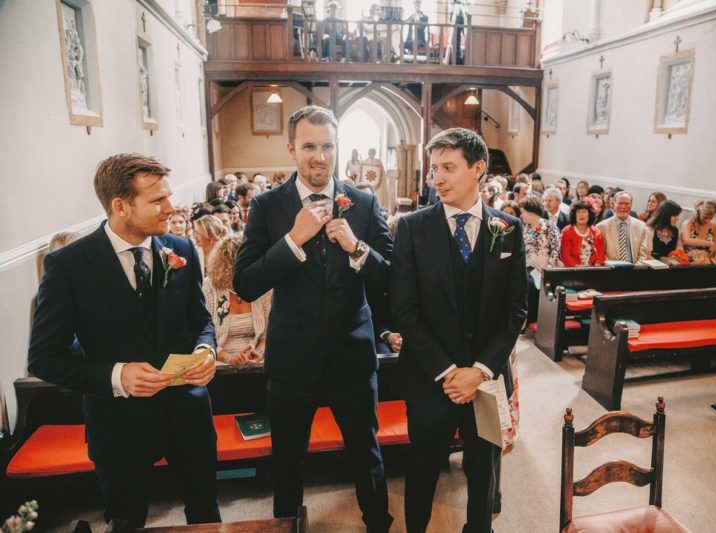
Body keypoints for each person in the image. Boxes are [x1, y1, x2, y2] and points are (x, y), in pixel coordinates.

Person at [28, 154, 219, 529]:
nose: (171, 207)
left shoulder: (180, 251)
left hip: (187, 412)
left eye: (168, 196)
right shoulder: (69, 266)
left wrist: (205, 349)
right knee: (127, 521)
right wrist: (117, 375)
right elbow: (45, 358)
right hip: (119, 424)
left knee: (205, 513)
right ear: (121, 206)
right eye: (157, 200)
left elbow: (200, 320)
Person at [233, 105, 394, 532]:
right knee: (287, 458)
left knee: (366, 452)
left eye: (327, 146)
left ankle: (378, 522)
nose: (319, 156)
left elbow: (391, 279)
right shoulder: (268, 207)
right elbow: (245, 283)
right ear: (291, 149)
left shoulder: (363, 202)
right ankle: (287, 526)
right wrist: (293, 239)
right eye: (309, 146)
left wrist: (357, 247)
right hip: (292, 358)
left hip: (352, 354)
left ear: (337, 148)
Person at [390, 128, 527, 533]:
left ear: (478, 169)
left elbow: (515, 312)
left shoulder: (507, 229)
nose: (438, 179)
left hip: (484, 380)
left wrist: (480, 370)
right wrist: (450, 372)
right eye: (435, 169)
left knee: (484, 470)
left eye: (449, 168)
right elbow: (404, 309)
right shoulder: (413, 228)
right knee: (424, 469)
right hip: (432, 378)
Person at [204, 234, 271, 365]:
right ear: (227, 265)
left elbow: (266, 335)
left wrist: (258, 353)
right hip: (217, 363)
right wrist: (229, 357)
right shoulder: (209, 288)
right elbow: (202, 336)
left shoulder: (262, 286)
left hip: (254, 364)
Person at [518, 196, 560, 325]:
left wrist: (548, 268)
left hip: (546, 268)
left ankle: (538, 321)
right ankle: (526, 321)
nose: (521, 215)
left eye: (523, 211)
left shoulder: (549, 226)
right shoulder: (523, 228)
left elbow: (555, 249)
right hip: (527, 267)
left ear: (530, 212)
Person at [596, 191, 648, 263]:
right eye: (620, 203)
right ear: (613, 205)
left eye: (627, 203)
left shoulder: (641, 226)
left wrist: (637, 270)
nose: (623, 206)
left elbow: (643, 255)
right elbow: (600, 255)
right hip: (611, 269)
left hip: (635, 269)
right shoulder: (601, 227)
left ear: (631, 205)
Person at [560, 201, 605, 267]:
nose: (581, 215)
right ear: (574, 215)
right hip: (573, 270)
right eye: (578, 212)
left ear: (589, 214)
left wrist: (596, 267)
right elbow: (566, 256)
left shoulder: (596, 232)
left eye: (584, 211)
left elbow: (600, 254)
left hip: (593, 270)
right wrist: (578, 268)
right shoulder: (566, 231)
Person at [681, 199, 716, 263]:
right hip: (689, 260)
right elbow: (686, 241)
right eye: (705, 217)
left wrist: (712, 251)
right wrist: (709, 243)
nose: (707, 221)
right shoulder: (689, 223)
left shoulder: (714, 226)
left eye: (710, 218)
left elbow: (714, 248)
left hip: (706, 260)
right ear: (699, 212)